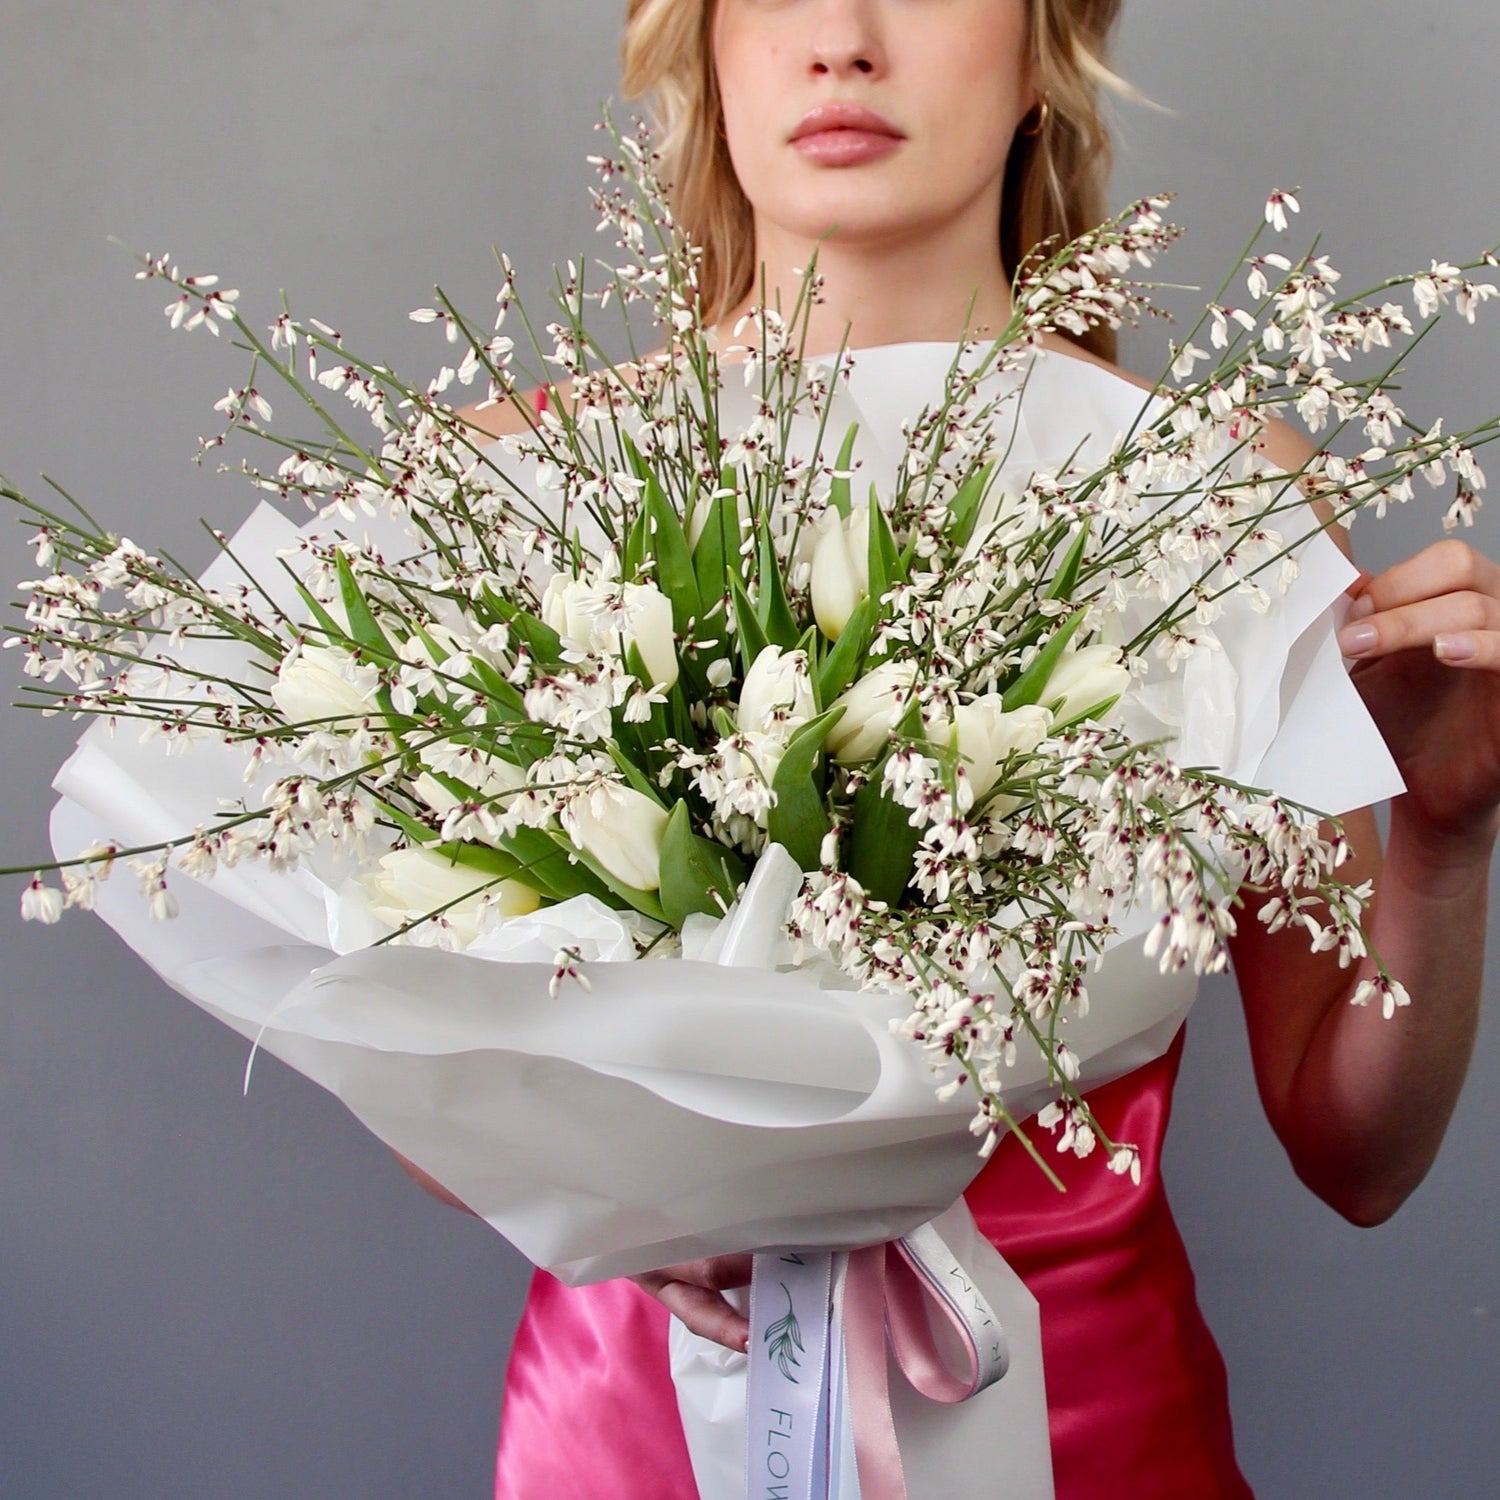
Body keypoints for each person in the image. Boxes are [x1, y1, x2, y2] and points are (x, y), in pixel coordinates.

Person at [437, 2, 1498, 1494]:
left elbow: (1358, 1157)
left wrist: (1448, 837)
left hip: (1085, 1429)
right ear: (705, 40)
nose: (843, 38)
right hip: (641, 1431)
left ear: (1044, 47)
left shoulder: (1215, 501)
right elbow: (415, 1058)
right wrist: (614, 1199)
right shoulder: (518, 484)